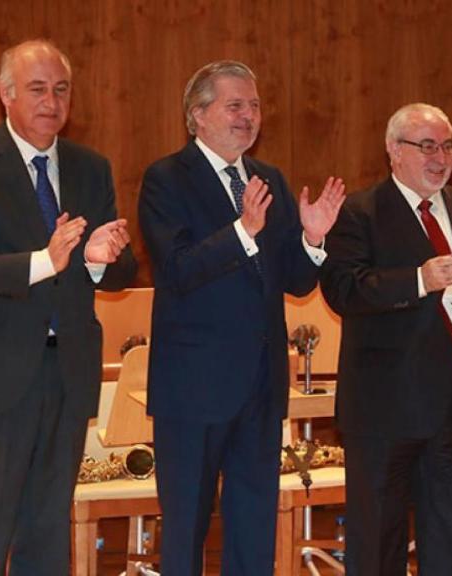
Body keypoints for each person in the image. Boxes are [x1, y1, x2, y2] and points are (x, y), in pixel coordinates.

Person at [0, 39, 137, 573]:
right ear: (6, 95)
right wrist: (44, 260)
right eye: (38, 89)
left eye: (61, 90)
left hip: (66, 372)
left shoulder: (89, 166)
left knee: (46, 532)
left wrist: (99, 260)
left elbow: (121, 268)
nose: (51, 101)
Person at [138, 60, 345, 574]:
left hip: (259, 385)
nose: (249, 116)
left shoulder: (266, 177)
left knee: (254, 527)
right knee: (186, 531)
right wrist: (242, 231)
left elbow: (294, 281)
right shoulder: (166, 179)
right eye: (235, 105)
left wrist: (313, 239)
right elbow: (178, 269)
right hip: (193, 390)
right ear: (198, 115)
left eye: (254, 105)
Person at [319, 103, 452, 575]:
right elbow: (343, 289)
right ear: (394, 151)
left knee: (447, 552)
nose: (440, 157)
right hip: (383, 413)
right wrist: (417, 279)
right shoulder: (359, 212)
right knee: (376, 550)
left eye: (447, 146)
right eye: (427, 146)